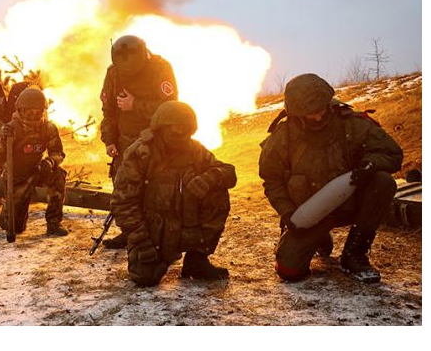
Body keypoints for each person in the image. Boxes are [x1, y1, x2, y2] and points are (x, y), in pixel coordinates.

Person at [259, 73, 403, 283]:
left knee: (383, 181)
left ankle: (354, 253)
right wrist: (288, 212)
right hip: (311, 212)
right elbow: (272, 180)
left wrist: (370, 164)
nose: (318, 117)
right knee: (289, 271)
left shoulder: (351, 123)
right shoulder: (283, 137)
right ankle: (319, 238)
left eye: (321, 110)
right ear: (296, 113)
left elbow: (391, 153)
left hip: (351, 203)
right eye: (311, 114)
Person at [111, 101, 236, 286]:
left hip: (186, 225)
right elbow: (123, 204)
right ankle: (160, 255)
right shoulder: (142, 154)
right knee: (145, 277)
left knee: (218, 194)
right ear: (162, 128)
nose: (181, 134)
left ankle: (197, 260)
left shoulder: (195, 150)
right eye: (176, 128)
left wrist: (210, 178)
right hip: (154, 232)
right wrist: (141, 242)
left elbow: (229, 173)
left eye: (186, 129)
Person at [100, 35, 178, 249]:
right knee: (124, 190)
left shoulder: (160, 68)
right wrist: (109, 140)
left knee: (156, 190)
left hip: (155, 141)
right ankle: (130, 232)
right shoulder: (113, 73)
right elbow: (109, 112)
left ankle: (158, 235)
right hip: (124, 143)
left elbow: (170, 108)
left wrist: (135, 104)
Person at [0, 87, 69, 236]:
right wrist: (3, 141)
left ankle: (54, 223)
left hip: (38, 170)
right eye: (29, 112)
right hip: (17, 177)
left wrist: (50, 162)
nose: (33, 116)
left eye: (37, 112)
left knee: (58, 175)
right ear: (21, 111)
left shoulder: (48, 128)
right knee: (15, 227)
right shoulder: (10, 129)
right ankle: (7, 214)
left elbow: (58, 153)